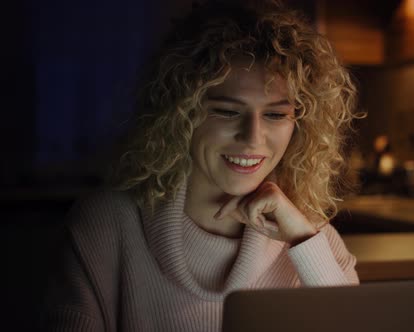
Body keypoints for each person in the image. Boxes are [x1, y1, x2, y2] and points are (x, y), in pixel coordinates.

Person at [42, 1, 362, 330]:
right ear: (180, 114)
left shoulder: (309, 234)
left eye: (276, 114)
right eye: (226, 111)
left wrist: (304, 241)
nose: (252, 137)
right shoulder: (106, 223)